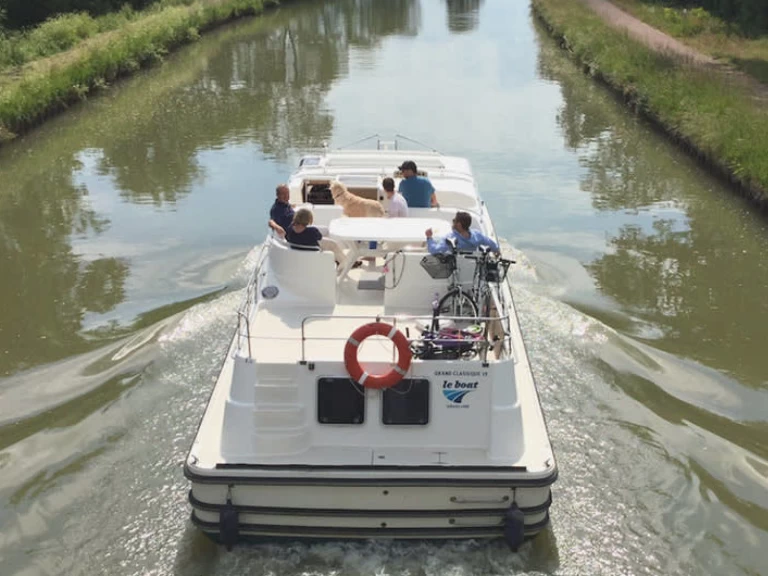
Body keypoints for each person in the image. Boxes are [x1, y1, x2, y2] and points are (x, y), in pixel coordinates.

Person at [425, 211, 500, 255]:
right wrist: (496, 251)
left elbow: (434, 250)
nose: (453, 222)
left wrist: (429, 237)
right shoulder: (477, 235)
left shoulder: (450, 239)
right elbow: (493, 246)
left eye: (454, 221)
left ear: (459, 224)